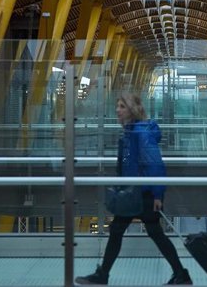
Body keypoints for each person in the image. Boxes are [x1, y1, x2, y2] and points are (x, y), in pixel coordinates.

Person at [75, 93, 192, 285]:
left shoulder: (140, 133)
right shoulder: (132, 131)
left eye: (122, 106)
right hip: (136, 191)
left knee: (121, 230)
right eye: (117, 106)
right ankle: (181, 274)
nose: (117, 110)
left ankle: (103, 275)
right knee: (148, 232)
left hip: (141, 194)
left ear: (132, 111)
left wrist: (157, 194)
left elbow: (154, 164)